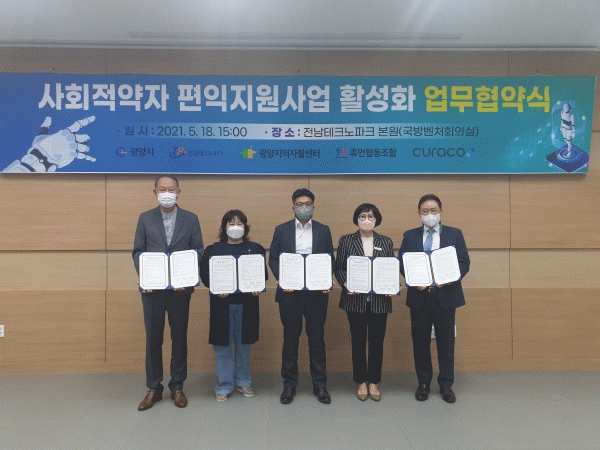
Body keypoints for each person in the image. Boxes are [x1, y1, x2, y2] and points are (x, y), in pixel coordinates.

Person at [132, 175, 204, 411]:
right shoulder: (145, 218)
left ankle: (177, 386)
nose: (167, 193)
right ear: (154, 192)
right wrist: (145, 277)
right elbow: (138, 252)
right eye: (162, 189)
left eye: (171, 189)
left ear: (178, 192)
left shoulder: (191, 218)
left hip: (181, 291)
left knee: (179, 337)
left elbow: (198, 251)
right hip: (152, 291)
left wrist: (188, 278)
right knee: (153, 338)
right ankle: (154, 388)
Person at [399, 194, 470, 404]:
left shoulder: (455, 234)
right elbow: (403, 262)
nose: (429, 214)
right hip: (419, 297)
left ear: (440, 211)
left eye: (433, 210)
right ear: (419, 213)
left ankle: (446, 385)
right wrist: (413, 280)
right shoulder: (410, 236)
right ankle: (423, 384)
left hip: (446, 296)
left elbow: (464, 262)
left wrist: (447, 279)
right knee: (420, 342)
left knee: (446, 343)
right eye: (425, 211)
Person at [269, 188, 335, 404]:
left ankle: (320, 385)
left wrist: (327, 278)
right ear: (293, 207)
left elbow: (329, 258)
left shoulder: (324, 230)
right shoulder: (282, 230)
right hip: (290, 294)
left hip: (316, 295)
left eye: (308, 203)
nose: (304, 207)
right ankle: (289, 385)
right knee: (290, 340)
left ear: (313, 206)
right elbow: (273, 259)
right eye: (299, 204)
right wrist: (282, 278)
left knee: (317, 340)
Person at [199, 210, 267, 402]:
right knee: (222, 346)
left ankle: (244, 381)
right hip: (222, 304)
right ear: (224, 227)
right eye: (231, 223)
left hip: (247, 304)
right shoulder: (213, 250)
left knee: (244, 345)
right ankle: (224, 384)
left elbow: (262, 274)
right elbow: (205, 275)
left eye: (239, 223)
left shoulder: (255, 249)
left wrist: (257, 288)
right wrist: (215, 287)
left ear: (245, 227)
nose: (235, 227)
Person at [334, 203, 395, 401]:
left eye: (370, 216)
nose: (366, 220)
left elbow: (390, 268)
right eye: (362, 216)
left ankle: (374, 381)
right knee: (358, 341)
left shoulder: (385, 241)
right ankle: (361, 380)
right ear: (356, 219)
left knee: (377, 342)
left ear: (377, 219)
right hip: (355, 300)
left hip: (379, 301)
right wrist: (345, 283)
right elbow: (339, 267)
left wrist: (391, 285)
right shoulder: (346, 240)